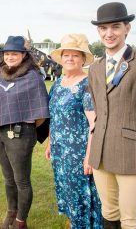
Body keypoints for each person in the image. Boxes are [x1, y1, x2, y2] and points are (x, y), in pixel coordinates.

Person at [88, 2, 136, 229]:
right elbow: (99, 111)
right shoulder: (95, 68)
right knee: (108, 213)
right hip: (101, 152)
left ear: (127, 28)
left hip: (133, 153)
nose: (109, 33)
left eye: (115, 27)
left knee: (130, 220)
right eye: (103, 28)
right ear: (98, 31)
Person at [0, 36, 50, 229]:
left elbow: (42, 110)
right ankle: (11, 213)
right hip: (0, 133)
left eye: (14, 54)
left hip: (22, 134)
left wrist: (26, 129)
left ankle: (21, 221)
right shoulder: (0, 75)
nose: (10, 57)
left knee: (22, 181)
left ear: (23, 55)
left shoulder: (33, 77)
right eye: (7, 54)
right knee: (8, 179)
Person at [45, 34, 102, 228]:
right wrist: (50, 141)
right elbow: (53, 115)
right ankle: (73, 221)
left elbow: (94, 123)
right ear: (61, 58)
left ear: (83, 59)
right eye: (66, 54)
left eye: (75, 55)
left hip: (78, 152)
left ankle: (82, 224)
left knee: (79, 192)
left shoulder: (86, 85)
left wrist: (89, 157)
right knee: (65, 188)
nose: (70, 59)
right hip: (60, 150)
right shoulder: (58, 83)